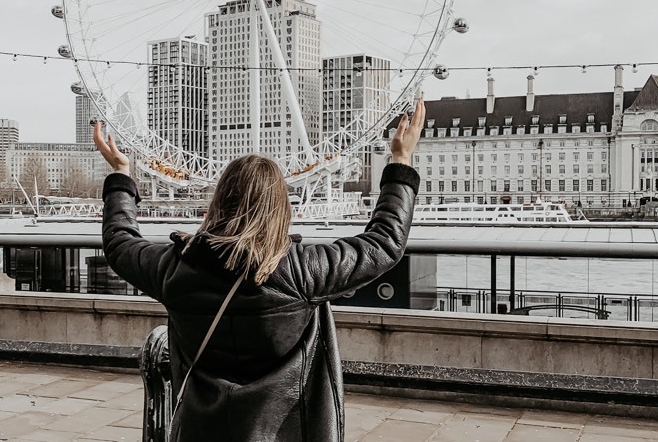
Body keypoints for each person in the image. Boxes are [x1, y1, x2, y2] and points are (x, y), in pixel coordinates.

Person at [95, 98, 424, 442]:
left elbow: (120, 242)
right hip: (284, 431)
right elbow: (383, 242)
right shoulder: (302, 270)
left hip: (200, 429)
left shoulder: (175, 267)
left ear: (219, 200)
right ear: (281, 206)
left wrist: (121, 176)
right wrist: (400, 162)